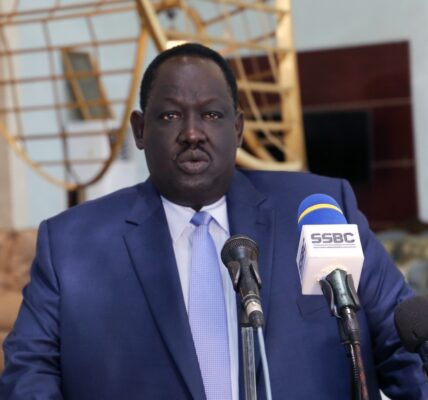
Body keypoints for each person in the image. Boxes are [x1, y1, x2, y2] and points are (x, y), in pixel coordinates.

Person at [1, 43, 427, 399]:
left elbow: (405, 348)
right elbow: (29, 373)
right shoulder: (71, 243)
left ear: (237, 128)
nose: (192, 133)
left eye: (212, 115)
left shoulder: (318, 210)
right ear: (139, 130)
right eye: (170, 116)